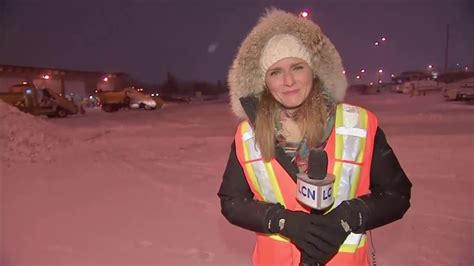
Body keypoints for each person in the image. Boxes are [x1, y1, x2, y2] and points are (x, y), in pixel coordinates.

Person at [218, 8, 412, 266]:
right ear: (265, 82)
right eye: (275, 72)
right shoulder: (247, 134)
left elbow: (396, 195)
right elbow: (232, 202)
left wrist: (347, 217)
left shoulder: (360, 125)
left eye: (297, 67)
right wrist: (282, 221)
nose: (288, 81)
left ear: (314, 71)